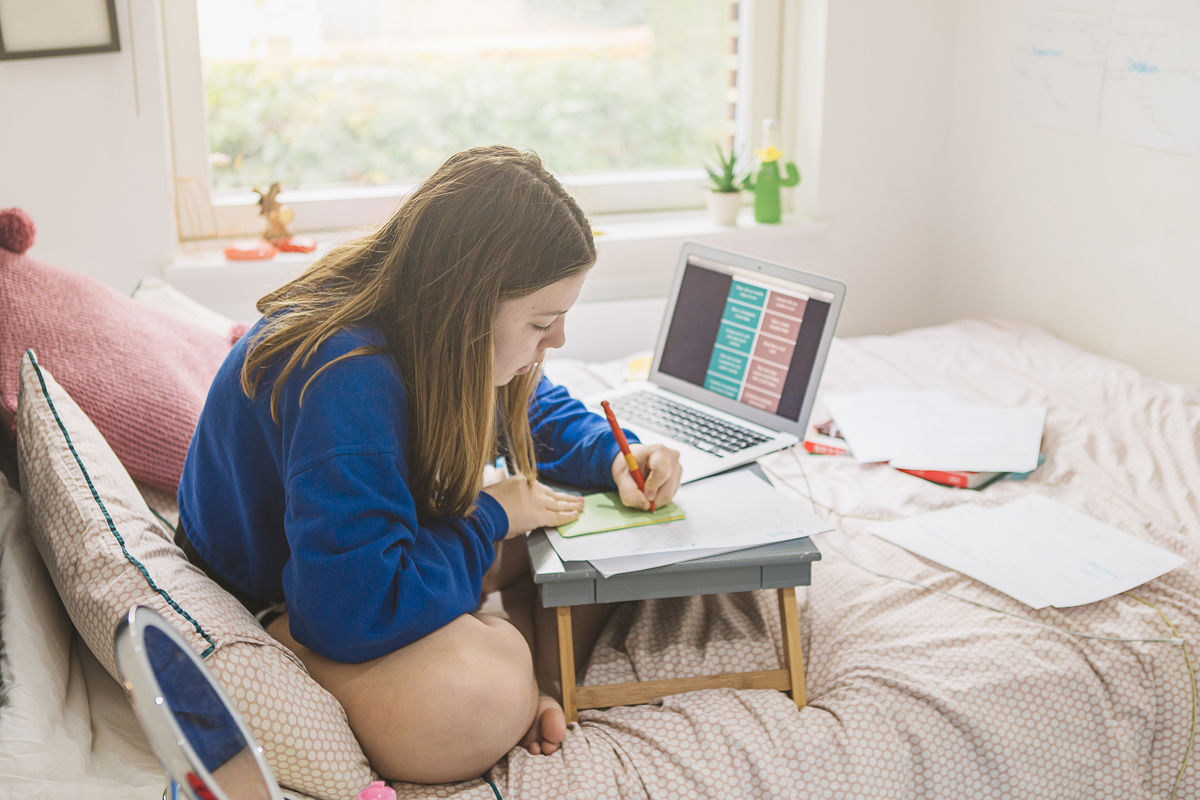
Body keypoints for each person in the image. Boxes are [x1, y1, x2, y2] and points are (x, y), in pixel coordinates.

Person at [175, 145, 683, 784]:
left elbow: (529, 407)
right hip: (281, 597)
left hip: (359, 565)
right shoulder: (346, 379)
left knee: (574, 541)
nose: (557, 341)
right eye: (542, 322)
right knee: (476, 698)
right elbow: (352, 613)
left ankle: (531, 683)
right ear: (469, 306)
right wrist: (491, 517)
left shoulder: (427, 322)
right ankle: (521, 688)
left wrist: (615, 454)